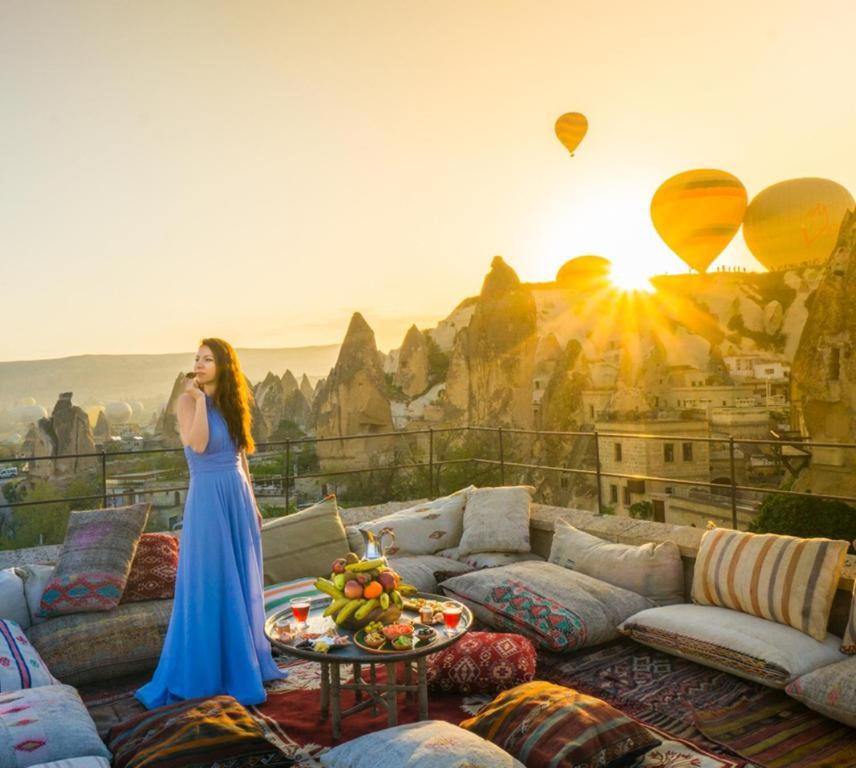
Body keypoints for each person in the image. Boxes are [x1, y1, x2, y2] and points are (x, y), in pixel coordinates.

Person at [135, 337, 287, 708]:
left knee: (241, 579)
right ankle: (207, 673)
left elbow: (242, 457)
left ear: (224, 365)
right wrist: (201, 401)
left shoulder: (234, 404)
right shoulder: (188, 401)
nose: (199, 365)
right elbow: (199, 445)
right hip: (207, 499)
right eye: (196, 359)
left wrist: (252, 503)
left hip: (236, 497)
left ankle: (245, 662)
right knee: (210, 582)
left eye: (207, 359)